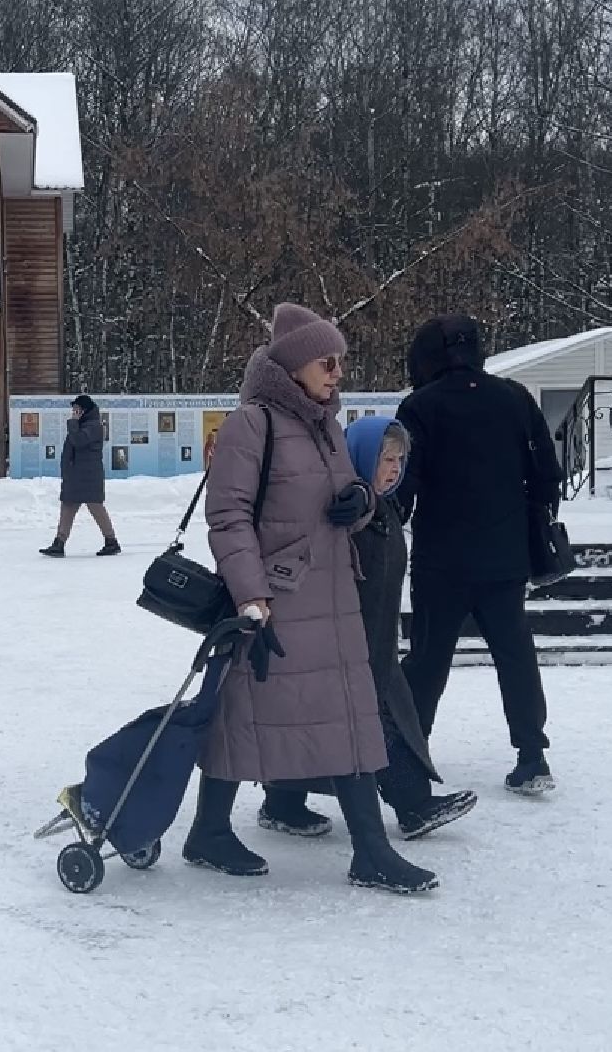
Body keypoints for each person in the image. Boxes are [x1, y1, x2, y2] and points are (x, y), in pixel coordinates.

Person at [185, 302, 438, 895]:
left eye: (340, 361)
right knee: (240, 712)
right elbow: (227, 517)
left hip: (335, 596)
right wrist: (250, 596)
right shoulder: (253, 424)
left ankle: (370, 852)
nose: (338, 371)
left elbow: (344, 495)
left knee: (348, 717)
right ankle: (209, 831)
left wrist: (361, 503)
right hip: (279, 601)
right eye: (328, 361)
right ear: (296, 365)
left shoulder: (324, 423)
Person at [256, 417, 480, 840]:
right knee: (368, 720)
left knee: (360, 719)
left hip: (375, 638)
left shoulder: (384, 506)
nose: (394, 468)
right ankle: (413, 805)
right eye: (385, 458)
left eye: (399, 459)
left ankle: (282, 802)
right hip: (340, 639)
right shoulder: (345, 507)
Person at [397, 313, 564, 795]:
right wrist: (529, 517)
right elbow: (547, 473)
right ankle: (532, 756)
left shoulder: (419, 406)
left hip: (441, 558)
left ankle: (411, 752)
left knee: (428, 658)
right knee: (515, 654)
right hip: (505, 556)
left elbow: (406, 482)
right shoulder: (514, 398)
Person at [40, 394, 119, 558]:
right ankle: (59, 543)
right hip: (76, 475)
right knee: (67, 507)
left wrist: (73, 423)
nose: (73, 412)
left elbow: (78, 441)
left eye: (76, 409)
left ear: (84, 410)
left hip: (89, 476)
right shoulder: (81, 425)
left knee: (96, 508)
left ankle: (111, 541)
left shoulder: (94, 426)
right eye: (73, 410)